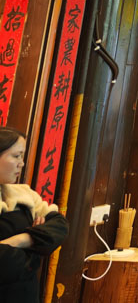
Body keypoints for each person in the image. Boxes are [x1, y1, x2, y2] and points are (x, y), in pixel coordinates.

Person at [0, 127, 67, 303]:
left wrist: (23, 240)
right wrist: (36, 252)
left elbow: (59, 224)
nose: (21, 163)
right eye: (16, 156)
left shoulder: (23, 193)